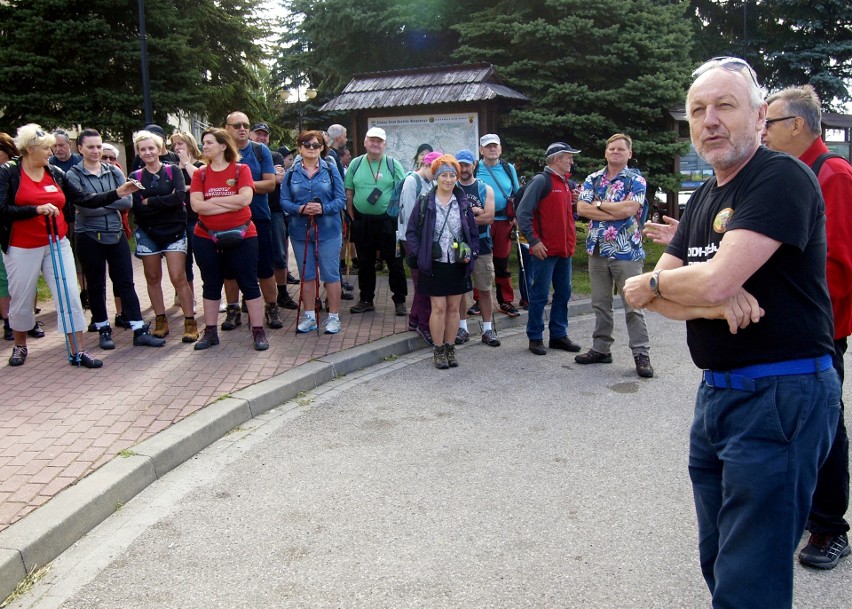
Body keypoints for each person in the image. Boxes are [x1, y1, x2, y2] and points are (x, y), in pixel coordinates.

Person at [623, 57, 840, 609]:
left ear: (759, 115)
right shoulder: (703, 198)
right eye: (698, 110)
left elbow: (707, 280)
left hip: (781, 394)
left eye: (725, 106)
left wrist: (673, 285)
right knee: (719, 559)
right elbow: (657, 298)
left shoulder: (780, 177)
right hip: (717, 393)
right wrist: (704, 302)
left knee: (750, 578)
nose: (709, 120)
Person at [762, 84, 852, 570]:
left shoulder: (831, 174)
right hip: (790, 324)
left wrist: (809, 321)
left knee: (825, 423)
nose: (764, 133)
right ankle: (800, 509)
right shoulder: (790, 173)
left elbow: (837, 265)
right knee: (793, 420)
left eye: (770, 123)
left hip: (818, 328)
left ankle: (830, 528)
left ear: (797, 125)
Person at [0, 124, 140, 368]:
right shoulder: (9, 172)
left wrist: (117, 193)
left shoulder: (54, 172)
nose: (51, 152)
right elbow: (2, 210)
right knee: (21, 299)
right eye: (46, 148)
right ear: (30, 149)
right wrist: (35, 210)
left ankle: (78, 351)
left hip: (56, 241)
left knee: (70, 296)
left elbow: (84, 199)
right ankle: (20, 345)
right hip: (22, 246)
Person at [66, 129, 164, 350]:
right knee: (96, 284)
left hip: (116, 234)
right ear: (80, 148)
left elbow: (127, 202)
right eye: (90, 147)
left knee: (126, 283)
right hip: (89, 235)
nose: (96, 151)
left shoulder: (113, 171)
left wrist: (97, 203)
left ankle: (139, 329)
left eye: (99, 146)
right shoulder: (73, 175)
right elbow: (83, 207)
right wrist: (110, 199)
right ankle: (103, 328)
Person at [575, 133, 653, 378]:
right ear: (605, 152)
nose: (616, 152)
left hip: (626, 251)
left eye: (621, 149)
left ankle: (641, 354)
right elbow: (581, 208)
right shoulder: (593, 179)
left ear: (629, 154)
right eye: (612, 149)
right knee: (600, 303)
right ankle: (601, 348)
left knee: (634, 305)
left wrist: (598, 205)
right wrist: (612, 212)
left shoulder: (635, 180)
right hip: (597, 250)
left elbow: (630, 209)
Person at [189, 127, 268, 351]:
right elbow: (196, 206)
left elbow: (245, 200)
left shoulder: (241, 170)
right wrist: (228, 201)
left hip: (243, 234)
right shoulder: (200, 173)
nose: (204, 146)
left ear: (223, 145)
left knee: (249, 282)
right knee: (211, 283)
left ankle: (258, 331)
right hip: (205, 235)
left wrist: (211, 203)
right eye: (203, 143)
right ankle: (211, 332)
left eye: (209, 142)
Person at [405, 154, 479, 369]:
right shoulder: (425, 202)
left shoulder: (463, 202)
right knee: (438, 307)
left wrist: (472, 253)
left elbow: (472, 232)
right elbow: (412, 233)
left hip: (457, 262)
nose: (448, 179)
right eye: (444, 175)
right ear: (436, 177)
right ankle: (438, 349)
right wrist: (421, 256)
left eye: (452, 175)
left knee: (454, 308)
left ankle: (450, 347)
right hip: (434, 262)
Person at [130, 130, 197, 342]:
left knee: (179, 277)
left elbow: (179, 199)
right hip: (148, 233)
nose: (148, 152)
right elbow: (138, 208)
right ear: (138, 153)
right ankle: (160, 319)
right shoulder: (136, 177)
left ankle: (190, 321)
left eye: (151, 148)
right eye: (143, 149)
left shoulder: (172, 171)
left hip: (174, 231)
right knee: (152, 277)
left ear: (159, 149)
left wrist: (151, 201)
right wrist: (162, 201)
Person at [516, 142, 582, 356]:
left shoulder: (565, 183)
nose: (571, 161)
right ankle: (535, 336)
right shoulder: (541, 181)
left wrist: (575, 204)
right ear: (556, 159)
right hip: (545, 250)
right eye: (568, 157)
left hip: (564, 250)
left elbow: (567, 215)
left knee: (564, 293)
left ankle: (558, 335)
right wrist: (534, 241)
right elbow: (522, 213)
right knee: (540, 294)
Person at [221, 112, 283, 331]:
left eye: (245, 125)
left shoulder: (260, 150)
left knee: (265, 266)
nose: (242, 129)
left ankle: (272, 308)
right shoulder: (221, 151)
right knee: (230, 268)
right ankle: (233, 310)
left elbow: (270, 184)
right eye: (236, 125)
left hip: (258, 217)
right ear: (227, 128)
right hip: (226, 218)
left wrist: (241, 187)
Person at [281, 131, 346, 334]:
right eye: (306, 144)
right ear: (300, 147)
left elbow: (341, 199)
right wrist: (300, 209)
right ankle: (309, 316)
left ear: (321, 148)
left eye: (316, 145)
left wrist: (323, 208)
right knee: (307, 275)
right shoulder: (291, 172)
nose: (311, 148)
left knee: (331, 274)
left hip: (328, 230)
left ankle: (334, 317)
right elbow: (283, 201)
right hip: (300, 231)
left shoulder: (330, 169)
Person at [344, 127, 407, 316]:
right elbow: (349, 192)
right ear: (365, 142)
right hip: (362, 222)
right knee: (365, 263)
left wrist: (397, 217)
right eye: (372, 140)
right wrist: (352, 216)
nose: (375, 144)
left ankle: (400, 300)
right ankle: (366, 300)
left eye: (379, 141)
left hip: (387, 222)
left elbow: (402, 192)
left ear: (385, 144)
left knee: (394, 263)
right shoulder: (355, 164)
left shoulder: (392, 164)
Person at [454, 149, 499, 347]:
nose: (464, 169)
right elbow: (449, 218)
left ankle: (488, 329)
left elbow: (489, 217)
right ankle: (462, 328)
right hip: (458, 246)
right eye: (460, 165)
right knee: (460, 288)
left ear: (474, 165)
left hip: (482, 245)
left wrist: (465, 217)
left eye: (467, 164)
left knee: (485, 289)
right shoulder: (451, 188)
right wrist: (474, 212)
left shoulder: (484, 189)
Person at [250, 125, 299, 309]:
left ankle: (283, 293)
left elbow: (278, 180)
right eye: (258, 134)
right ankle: (249, 297)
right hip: (250, 211)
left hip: (274, 211)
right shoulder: (241, 155)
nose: (262, 137)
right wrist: (267, 180)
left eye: (265, 135)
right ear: (250, 135)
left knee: (279, 254)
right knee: (250, 256)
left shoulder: (275, 155)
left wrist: (247, 182)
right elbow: (273, 179)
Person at [473, 134, 521, 318]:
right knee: (480, 261)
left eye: (495, 146)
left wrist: (517, 216)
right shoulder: (476, 168)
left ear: (500, 149)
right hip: (483, 222)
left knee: (501, 262)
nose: (492, 149)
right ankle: (479, 301)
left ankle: (505, 301)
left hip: (503, 222)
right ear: (481, 150)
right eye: (488, 146)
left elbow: (517, 194)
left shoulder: (508, 168)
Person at [398, 150, 440, 343]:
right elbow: (408, 218)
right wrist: (415, 245)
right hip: (412, 241)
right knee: (423, 284)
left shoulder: (430, 182)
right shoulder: (411, 182)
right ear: (426, 165)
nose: (438, 175)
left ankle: (414, 319)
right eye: (436, 170)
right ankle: (424, 325)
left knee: (422, 282)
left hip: (424, 241)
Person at [170, 131, 204, 310]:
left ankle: (212, 296)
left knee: (204, 260)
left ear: (190, 145)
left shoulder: (198, 165)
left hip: (196, 220)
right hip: (178, 221)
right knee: (184, 263)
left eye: (180, 144)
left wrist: (186, 163)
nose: (177, 148)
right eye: (175, 145)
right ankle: (189, 299)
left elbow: (201, 180)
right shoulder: (172, 168)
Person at [0, 132, 20, 340]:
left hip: (12, 230)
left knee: (14, 276)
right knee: (2, 278)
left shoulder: (14, 171)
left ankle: (23, 321)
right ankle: (8, 322)